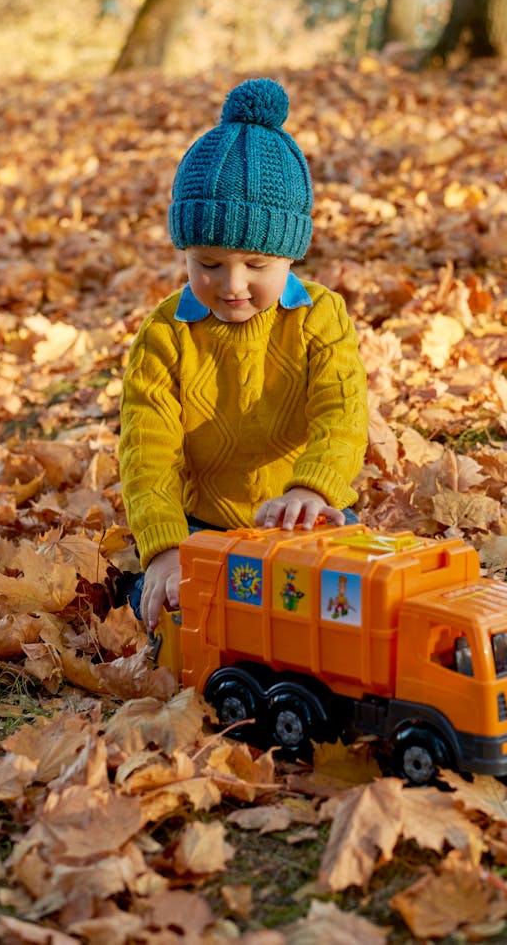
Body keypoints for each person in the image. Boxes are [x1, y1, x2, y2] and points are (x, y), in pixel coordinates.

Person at [119, 77, 369, 633]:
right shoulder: (165, 335)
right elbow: (147, 453)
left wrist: (310, 488)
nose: (232, 284)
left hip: (298, 518)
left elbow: (342, 416)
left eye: (256, 266)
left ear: (290, 255)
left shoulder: (318, 319)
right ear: (185, 251)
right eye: (208, 263)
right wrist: (164, 546)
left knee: (348, 605)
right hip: (199, 523)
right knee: (169, 613)